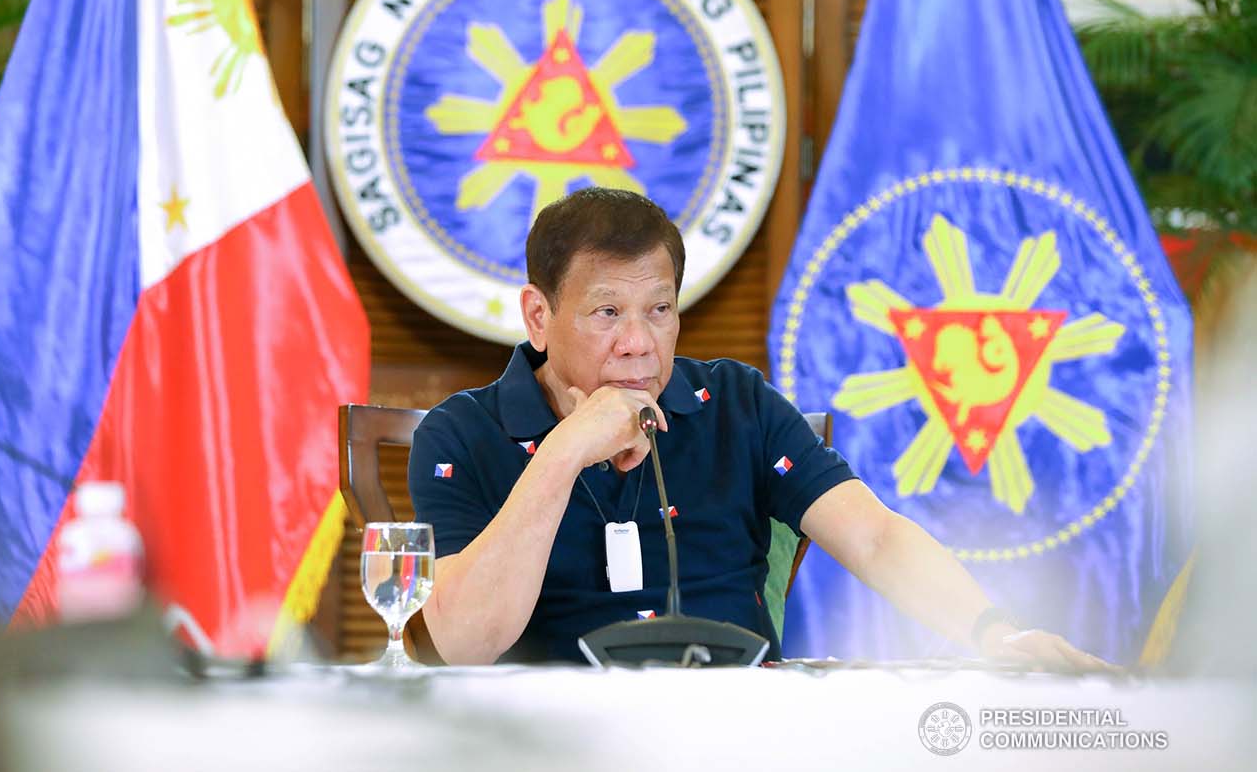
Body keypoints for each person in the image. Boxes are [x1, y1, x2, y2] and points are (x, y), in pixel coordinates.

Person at [409, 188, 1109, 668]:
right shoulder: (462, 434)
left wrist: (995, 632)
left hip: (740, 730)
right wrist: (563, 453)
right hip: (546, 746)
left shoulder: (734, 402)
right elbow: (461, 644)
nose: (639, 343)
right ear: (539, 317)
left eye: (659, 310)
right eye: (606, 314)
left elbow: (874, 535)